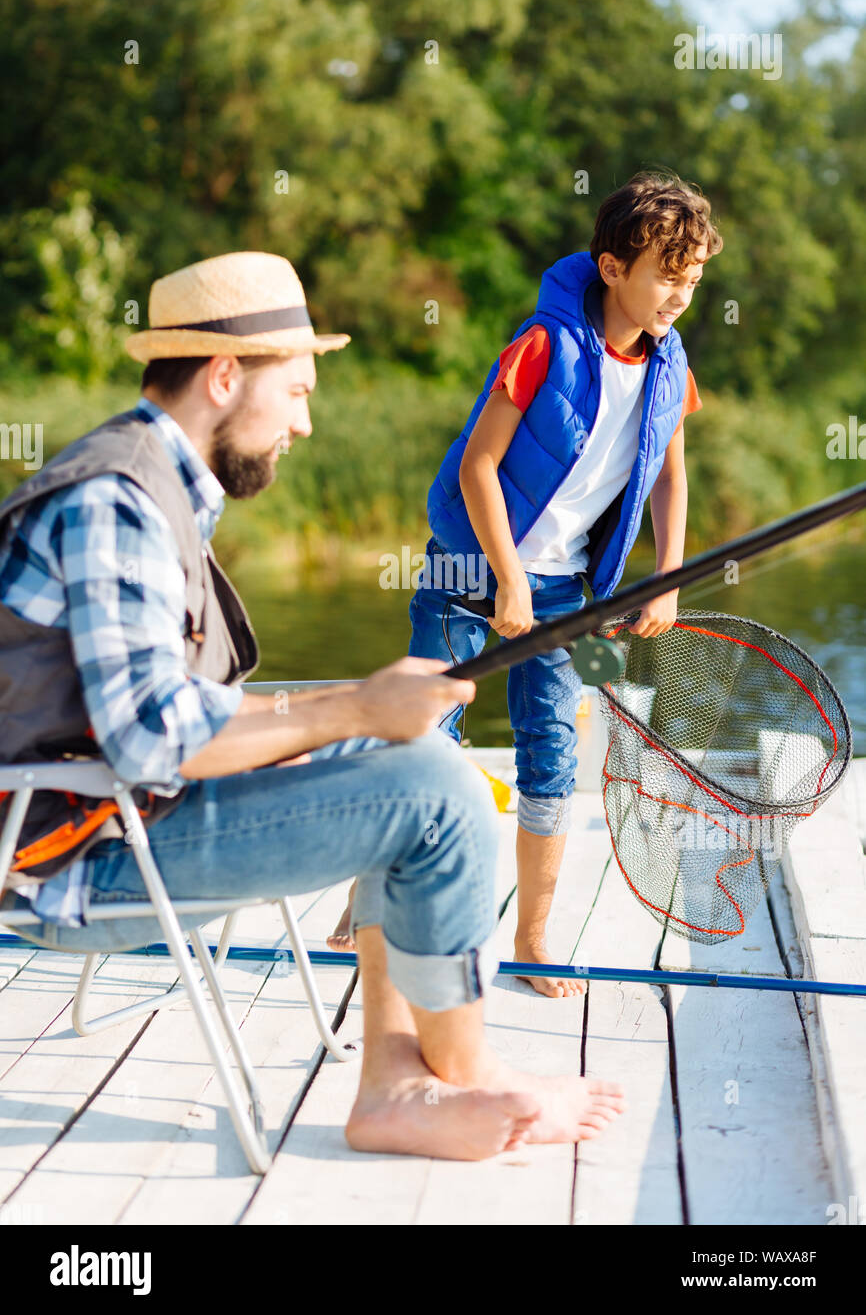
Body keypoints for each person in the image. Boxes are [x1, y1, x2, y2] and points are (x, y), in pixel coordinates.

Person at [0, 251, 625, 1161]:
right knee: (437, 798)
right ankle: (466, 1070)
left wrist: (343, 718)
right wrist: (352, 710)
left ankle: (394, 1085)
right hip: (75, 864)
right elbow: (147, 736)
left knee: (418, 764)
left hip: (124, 818)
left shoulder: (154, 486)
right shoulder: (117, 502)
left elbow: (157, 710)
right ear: (224, 377)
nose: (305, 421)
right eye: (294, 392)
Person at [404, 172, 722, 998]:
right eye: (666, 276)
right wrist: (506, 577)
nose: (679, 296)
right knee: (427, 733)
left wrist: (667, 580)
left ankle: (535, 938)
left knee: (552, 755)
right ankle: (382, 911)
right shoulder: (542, 346)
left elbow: (669, 480)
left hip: (564, 591)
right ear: (613, 268)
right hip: (470, 569)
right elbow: (478, 466)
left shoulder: (669, 365)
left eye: (692, 281)